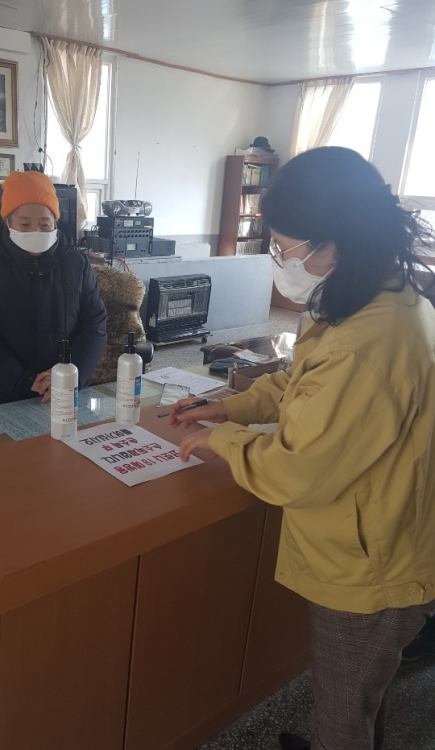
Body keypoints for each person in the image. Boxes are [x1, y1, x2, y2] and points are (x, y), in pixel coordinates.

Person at [169, 147, 435, 750]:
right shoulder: (368, 295)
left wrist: (222, 440)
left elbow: (297, 472)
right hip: (372, 540)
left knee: (342, 713)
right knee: (361, 694)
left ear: (337, 241)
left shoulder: (369, 340)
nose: (281, 262)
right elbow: (302, 382)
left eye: (286, 249)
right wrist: (232, 406)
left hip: (371, 564)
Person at [0, 170, 107, 407]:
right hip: (7, 393)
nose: (35, 231)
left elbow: (94, 323)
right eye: (25, 224)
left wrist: (70, 375)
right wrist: (23, 379)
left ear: (55, 222)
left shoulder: (75, 264)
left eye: (45, 224)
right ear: (7, 222)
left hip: (67, 388)